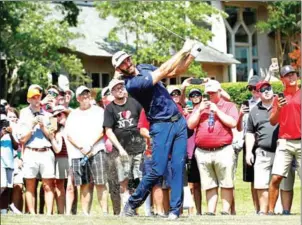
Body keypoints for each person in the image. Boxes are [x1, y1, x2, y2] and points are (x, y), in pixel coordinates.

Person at [112, 40, 203, 219]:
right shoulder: (132, 84)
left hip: (178, 122)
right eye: (122, 63)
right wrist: (183, 49)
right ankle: (132, 204)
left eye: (127, 59)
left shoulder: (144, 67)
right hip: (160, 126)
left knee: (178, 167)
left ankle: (175, 212)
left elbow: (175, 71)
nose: (127, 63)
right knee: (158, 170)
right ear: (119, 69)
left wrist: (192, 54)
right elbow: (162, 71)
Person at [187, 80, 239, 215]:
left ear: (220, 92)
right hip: (203, 151)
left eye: (213, 93)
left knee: (226, 182)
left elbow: (233, 123)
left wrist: (217, 111)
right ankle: (211, 212)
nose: (210, 95)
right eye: (208, 93)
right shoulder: (201, 107)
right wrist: (199, 110)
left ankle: (225, 210)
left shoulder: (228, 106)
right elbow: (190, 125)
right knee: (208, 183)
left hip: (223, 149)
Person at [64, 86, 108, 216]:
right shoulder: (73, 114)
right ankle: (85, 213)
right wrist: (81, 147)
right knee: (84, 184)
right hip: (78, 153)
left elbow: (104, 130)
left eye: (87, 94)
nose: (85, 97)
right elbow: (69, 135)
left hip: (97, 150)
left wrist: (90, 145)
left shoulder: (99, 111)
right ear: (77, 98)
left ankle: (105, 212)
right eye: (82, 95)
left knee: (100, 182)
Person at [104, 79, 145, 210]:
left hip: (139, 148)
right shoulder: (110, 108)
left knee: (140, 180)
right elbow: (108, 130)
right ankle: (126, 209)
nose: (120, 90)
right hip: (122, 150)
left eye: (122, 87)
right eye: (117, 88)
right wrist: (120, 149)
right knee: (124, 180)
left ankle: (142, 210)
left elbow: (143, 121)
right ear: (112, 92)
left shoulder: (135, 103)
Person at [268, 65, 301, 214]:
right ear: (282, 80)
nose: (292, 77)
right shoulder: (279, 98)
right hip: (284, 142)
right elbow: (272, 121)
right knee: (276, 178)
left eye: (293, 74)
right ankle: (270, 212)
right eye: (288, 75)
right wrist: (279, 109)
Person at [18, 86, 55, 215]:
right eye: (33, 97)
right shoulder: (23, 113)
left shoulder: (49, 113)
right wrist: (32, 125)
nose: (36, 99)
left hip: (46, 151)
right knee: (30, 185)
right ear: (28, 99)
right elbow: (22, 139)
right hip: (30, 151)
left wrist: (43, 127)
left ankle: (49, 214)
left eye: (38, 96)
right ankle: (33, 214)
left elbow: (52, 135)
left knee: (48, 184)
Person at [245, 81, 278, 214]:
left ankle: (278, 211)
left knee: (279, 182)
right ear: (258, 93)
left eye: (268, 88)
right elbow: (250, 132)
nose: (266, 91)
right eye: (263, 89)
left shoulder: (281, 104)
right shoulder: (254, 111)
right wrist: (248, 152)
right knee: (260, 183)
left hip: (281, 151)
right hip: (262, 151)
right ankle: (263, 212)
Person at [237, 75, 261, 213]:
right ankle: (257, 209)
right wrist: (240, 114)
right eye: (251, 88)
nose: (254, 91)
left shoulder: (269, 101)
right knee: (252, 179)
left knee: (267, 177)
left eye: (256, 88)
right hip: (249, 142)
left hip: (264, 142)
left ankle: (268, 207)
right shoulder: (246, 104)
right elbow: (240, 128)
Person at [48, 106, 71, 214]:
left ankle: (69, 211)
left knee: (70, 186)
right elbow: (57, 150)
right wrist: (52, 137)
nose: (57, 117)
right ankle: (62, 212)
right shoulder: (55, 129)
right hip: (59, 158)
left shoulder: (71, 126)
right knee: (59, 185)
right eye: (55, 116)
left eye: (60, 114)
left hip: (69, 158)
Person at [186, 88, 203, 215]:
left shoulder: (204, 110)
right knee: (190, 185)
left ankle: (199, 211)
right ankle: (191, 211)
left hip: (200, 150)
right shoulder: (186, 112)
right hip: (188, 151)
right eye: (192, 95)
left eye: (198, 94)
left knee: (200, 184)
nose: (195, 97)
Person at [0, 114, 18, 214]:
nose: (4, 124)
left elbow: (16, 146)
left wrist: (10, 134)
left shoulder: (11, 132)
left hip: (9, 162)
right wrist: (2, 133)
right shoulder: (2, 132)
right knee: (2, 185)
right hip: (1, 162)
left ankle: (3, 211)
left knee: (7, 188)